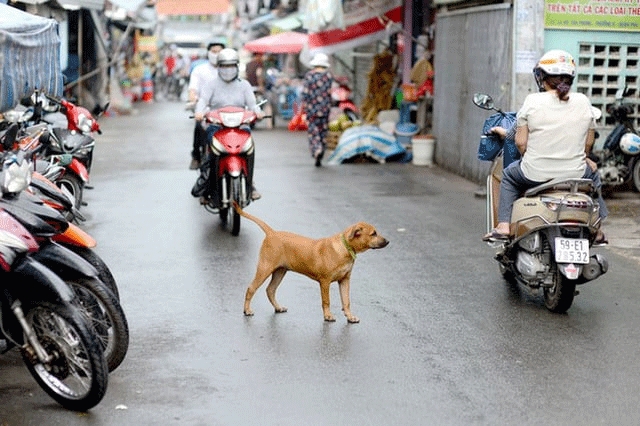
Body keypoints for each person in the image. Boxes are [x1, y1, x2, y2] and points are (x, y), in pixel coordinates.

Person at [483, 49, 608, 245]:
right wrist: (582, 157)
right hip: (574, 173)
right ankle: (598, 229)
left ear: (541, 77)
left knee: (508, 176)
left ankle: (504, 226)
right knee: (593, 174)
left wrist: (530, 154)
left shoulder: (532, 101)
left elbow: (520, 142)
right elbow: (588, 143)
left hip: (535, 173)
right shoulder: (583, 102)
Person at [193, 48, 263, 204]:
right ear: (218, 67)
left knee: (249, 148)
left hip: (240, 126)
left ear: (237, 66)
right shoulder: (211, 84)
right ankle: (207, 185)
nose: (228, 69)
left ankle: (250, 184)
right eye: (224, 66)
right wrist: (199, 112)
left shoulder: (244, 85)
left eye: (231, 65)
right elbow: (203, 101)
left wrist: (258, 112)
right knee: (211, 152)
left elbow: (252, 104)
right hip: (217, 126)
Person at [187, 42, 225, 170]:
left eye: (219, 51)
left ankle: (249, 184)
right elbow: (193, 90)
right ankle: (196, 156)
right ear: (208, 53)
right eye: (214, 51)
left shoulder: (230, 70)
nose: (216, 54)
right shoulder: (200, 70)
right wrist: (194, 98)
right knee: (199, 126)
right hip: (206, 109)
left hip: (227, 111)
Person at [301, 53, 334, 167]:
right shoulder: (328, 76)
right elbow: (330, 93)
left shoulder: (309, 76)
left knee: (313, 131)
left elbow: (305, 94)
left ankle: (317, 149)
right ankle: (321, 149)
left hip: (312, 109)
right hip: (325, 109)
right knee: (322, 131)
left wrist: (304, 108)